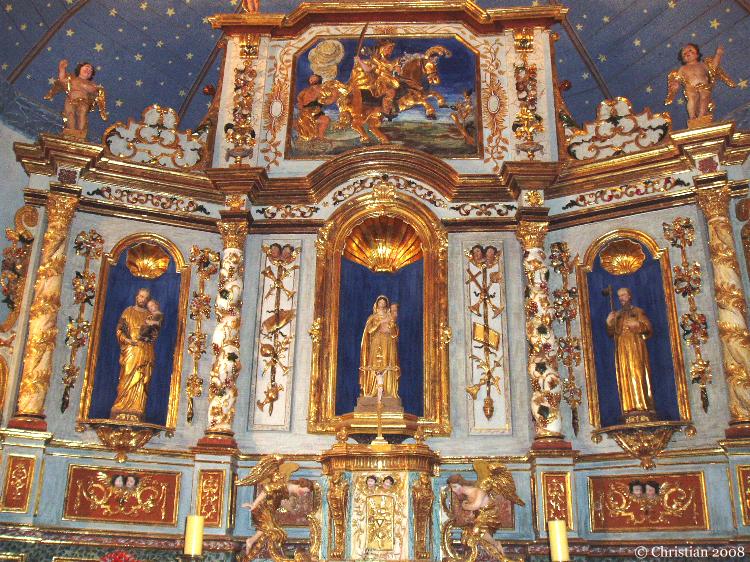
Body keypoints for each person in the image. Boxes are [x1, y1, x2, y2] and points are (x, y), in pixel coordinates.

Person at [605, 287, 656, 419]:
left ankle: (642, 405)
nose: (621, 298)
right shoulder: (617, 315)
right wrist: (609, 323)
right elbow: (612, 333)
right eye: (619, 296)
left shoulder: (638, 311)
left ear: (629, 296)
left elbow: (648, 329)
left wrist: (637, 324)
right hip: (622, 348)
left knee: (637, 373)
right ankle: (628, 407)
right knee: (625, 374)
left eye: (623, 295)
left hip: (635, 346)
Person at [110, 288, 159, 421]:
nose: (143, 299)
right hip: (131, 350)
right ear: (137, 296)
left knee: (141, 379)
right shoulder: (128, 311)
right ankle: (121, 404)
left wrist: (151, 334)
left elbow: (154, 334)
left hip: (145, 351)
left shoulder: (149, 315)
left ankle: (137, 407)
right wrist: (128, 341)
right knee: (126, 375)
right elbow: (119, 330)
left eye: (146, 298)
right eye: (141, 296)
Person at [242, 478, 314, 556]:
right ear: (300, 485)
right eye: (304, 492)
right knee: (270, 529)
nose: (303, 494)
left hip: (270, 511)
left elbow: (284, 504)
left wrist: (292, 510)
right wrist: (254, 504)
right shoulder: (282, 485)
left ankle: (252, 542)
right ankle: (252, 543)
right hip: (263, 507)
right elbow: (266, 490)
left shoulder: (289, 492)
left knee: (269, 529)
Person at [665, 43, 736, 121]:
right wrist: (676, 84)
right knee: (692, 99)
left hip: (704, 86)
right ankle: (692, 117)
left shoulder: (703, 65)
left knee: (704, 97)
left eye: (690, 50)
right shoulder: (682, 68)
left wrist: (718, 55)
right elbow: (678, 78)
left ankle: (702, 115)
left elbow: (713, 67)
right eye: (684, 54)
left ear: (697, 54)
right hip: (690, 87)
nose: (687, 53)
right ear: (683, 59)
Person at [44, 59, 108, 139]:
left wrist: (83, 85)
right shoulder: (72, 78)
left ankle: (80, 133)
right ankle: (71, 132)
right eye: (86, 67)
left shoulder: (91, 84)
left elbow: (93, 90)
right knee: (69, 114)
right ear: (80, 69)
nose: (88, 70)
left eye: (90, 71)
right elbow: (62, 79)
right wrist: (62, 68)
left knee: (82, 114)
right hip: (70, 99)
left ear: (91, 75)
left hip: (83, 101)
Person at [359, 296, 400, 400]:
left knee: (387, 363)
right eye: (380, 302)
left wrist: (392, 326)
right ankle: (373, 390)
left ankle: (387, 390)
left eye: (383, 302)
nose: (382, 304)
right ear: (377, 304)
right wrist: (378, 324)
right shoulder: (373, 317)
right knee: (375, 364)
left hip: (387, 342)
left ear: (386, 304)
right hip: (376, 342)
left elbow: (395, 333)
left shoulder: (390, 317)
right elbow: (369, 331)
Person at [296, 74, 333, 141]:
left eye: (313, 78)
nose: (311, 79)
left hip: (317, 113)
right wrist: (301, 104)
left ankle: (320, 137)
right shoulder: (306, 90)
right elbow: (299, 97)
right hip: (306, 113)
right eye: (311, 78)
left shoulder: (322, 90)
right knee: (306, 123)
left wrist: (326, 100)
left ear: (318, 80)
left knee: (326, 119)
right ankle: (310, 136)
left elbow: (328, 100)